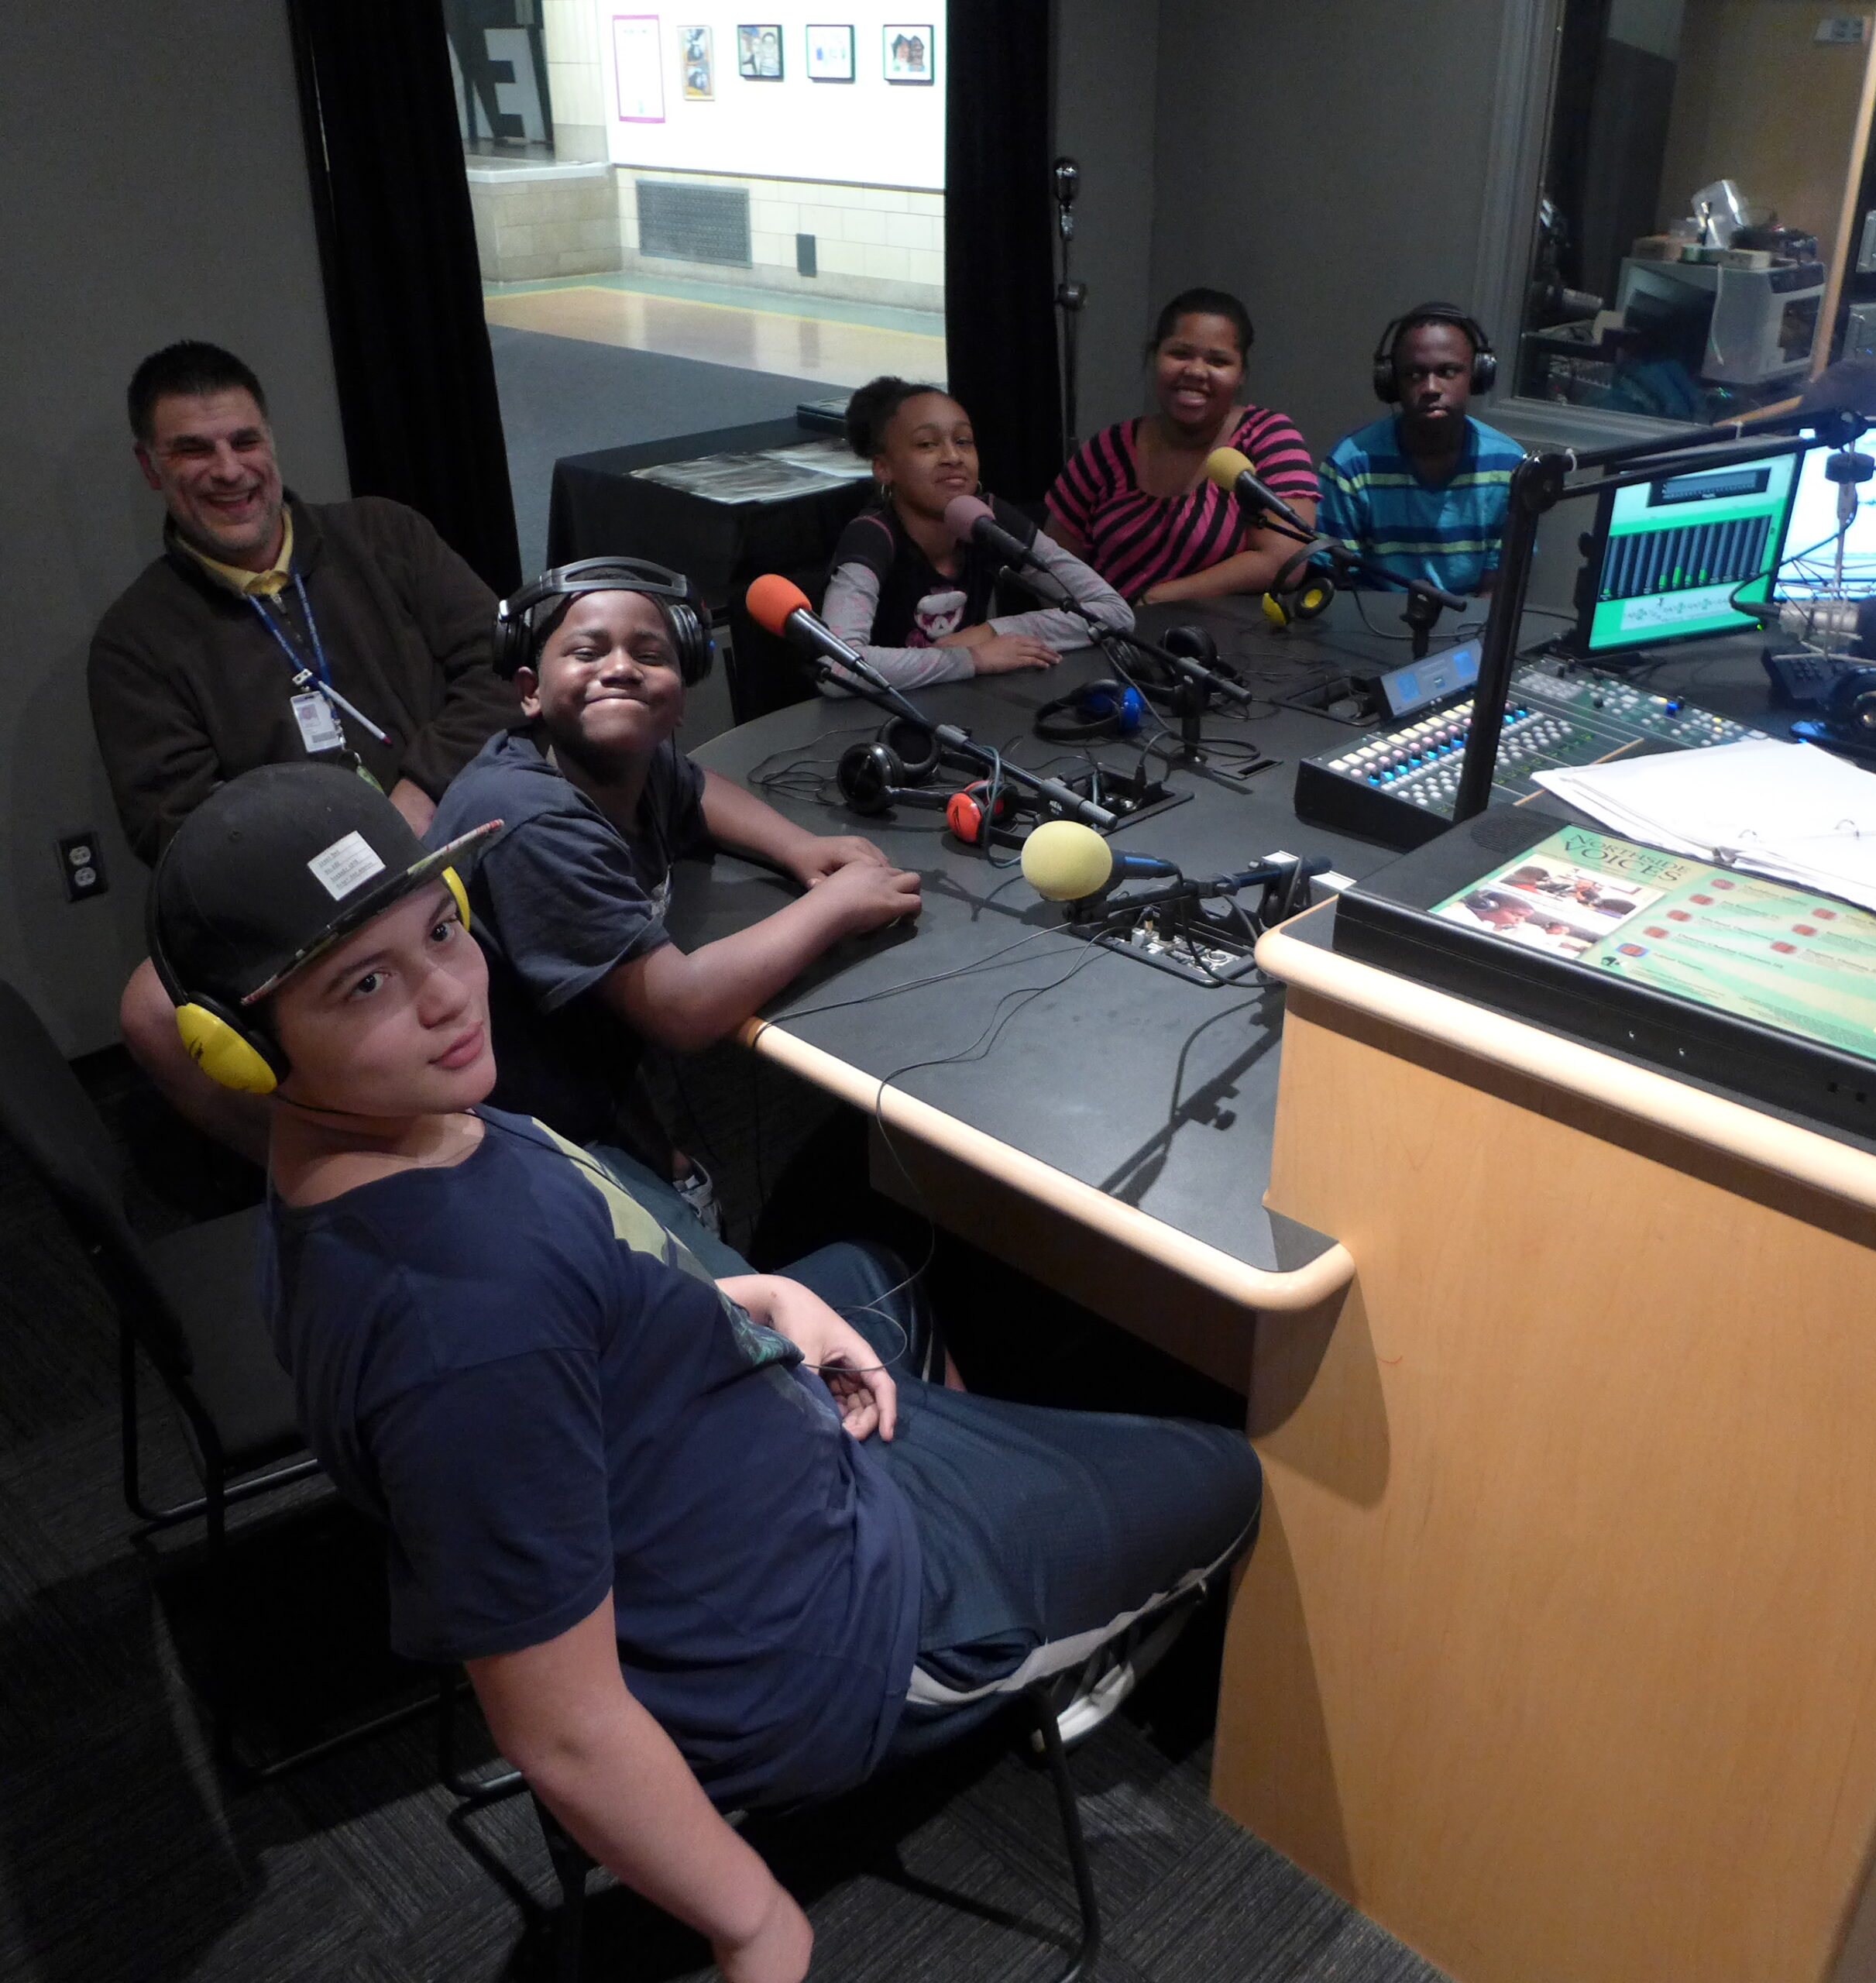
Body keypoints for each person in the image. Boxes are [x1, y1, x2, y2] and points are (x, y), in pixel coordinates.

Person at [149, 760, 1261, 1982]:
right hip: (829, 1641)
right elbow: (562, 1732)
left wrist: (751, 1300)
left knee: (850, 1258)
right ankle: (1017, 1640)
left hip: (740, 1464)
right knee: (1227, 1473)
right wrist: (751, 1922)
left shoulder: (376, 1141)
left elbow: (589, 1305)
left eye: (441, 930)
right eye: (364, 983)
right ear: (244, 1050)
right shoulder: (461, 1336)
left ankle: (976, 1478)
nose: (449, 995)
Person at [426, 558, 921, 1265]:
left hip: (586, 1070)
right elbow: (682, 1010)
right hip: (514, 1135)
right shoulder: (529, 819)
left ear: (681, 698)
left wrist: (800, 848)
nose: (621, 668)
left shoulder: (617, 757)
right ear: (530, 693)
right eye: (588, 652)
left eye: (649, 654)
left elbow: (695, 786)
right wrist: (836, 907)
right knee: (702, 1300)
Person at [91, 340, 515, 1158]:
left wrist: (417, 795)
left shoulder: (386, 535)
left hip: (453, 815)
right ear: (151, 466)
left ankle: (635, 1144)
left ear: (272, 442)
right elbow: (172, 829)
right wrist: (327, 861)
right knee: (151, 1007)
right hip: (302, 901)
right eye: (193, 449)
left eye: (244, 441)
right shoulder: (134, 641)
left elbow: (502, 665)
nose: (228, 469)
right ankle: (343, 1173)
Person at [817, 377, 1132, 690]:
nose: (953, 457)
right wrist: (970, 658)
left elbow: (1113, 612)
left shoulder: (989, 518)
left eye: (964, 441)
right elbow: (837, 665)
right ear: (884, 468)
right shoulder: (871, 536)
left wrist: (992, 632)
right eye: (927, 444)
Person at [1046, 287, 1318, 605]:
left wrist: (1155, 601)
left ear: (1241, 374)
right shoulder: (1107, 450)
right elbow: (1052, 567)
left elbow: (1284, 561)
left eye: (1218, 361)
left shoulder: (1266, 438)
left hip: (1230, 648)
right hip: (1110, 641)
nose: (1196, 372)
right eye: (1180, 354)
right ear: (1154, 356)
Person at [1314, 304, 1524, 598]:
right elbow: (1336, 583)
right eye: (1414, 375)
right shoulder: (1351, 466)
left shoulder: (1510, 466)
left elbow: (1498, 590)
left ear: (1476, 376)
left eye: (1448, 371)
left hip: (1470, 632)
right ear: (1391, 383)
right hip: (1371, 633)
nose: (1430, 387)